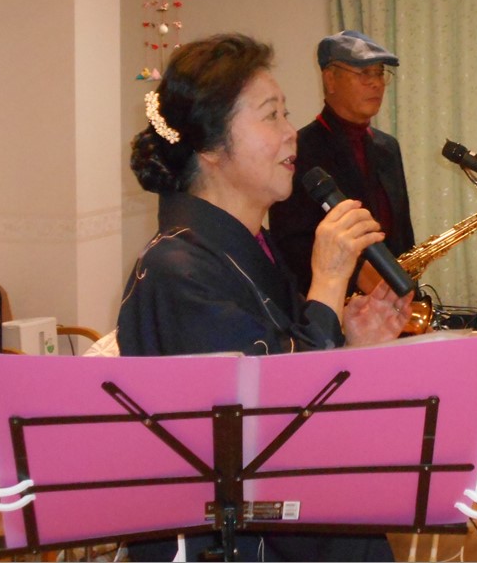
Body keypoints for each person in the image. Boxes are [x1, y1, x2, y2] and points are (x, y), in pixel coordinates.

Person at [117, 33, 408, 561]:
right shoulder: (175, 270)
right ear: (210, 147)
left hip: (299, 518)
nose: (290, 134)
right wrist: (329, 279)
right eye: (271, 116)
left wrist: (352, 340)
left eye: (286, 114)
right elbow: (275, 424)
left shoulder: (251, 246)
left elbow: (293, 361)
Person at [269, 30, 415, 296]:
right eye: (364, 73)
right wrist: (358, 274)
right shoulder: (298, 149)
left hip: (391, 299)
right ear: (330, 79)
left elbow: (402, 231)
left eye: (380, 73)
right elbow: (291, 245)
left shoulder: (388, 147)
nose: (377, 83)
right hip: (330, 302)